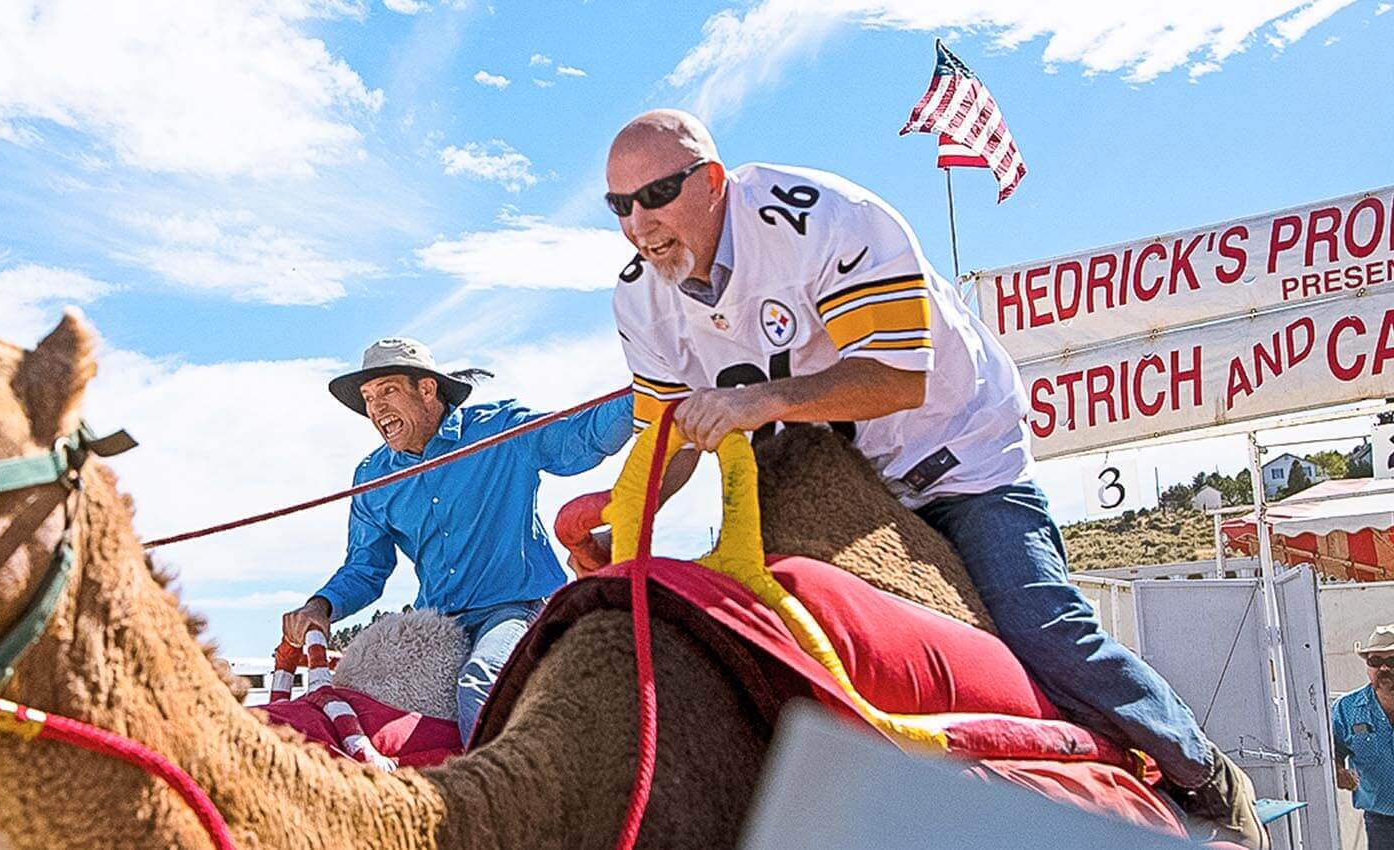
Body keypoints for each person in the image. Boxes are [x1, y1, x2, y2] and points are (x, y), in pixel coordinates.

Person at [599, 108, 1263, 847]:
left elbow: (894, 377)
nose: (639, 223)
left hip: (960, 461)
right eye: (619, 206)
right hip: (844, 489)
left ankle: (1200, 772)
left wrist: (764, 401)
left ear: (713, 181)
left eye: (655, 195)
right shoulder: (638, 296)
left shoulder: (828, 220)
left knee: (1041, 628)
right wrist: (615, 517)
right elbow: (669, 437)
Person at [281, 337, 632, 742]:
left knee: (479, 686)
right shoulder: (372, 477)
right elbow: (366, 568)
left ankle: (503, 801)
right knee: (368, 705)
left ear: (427, 389)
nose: (375, 408)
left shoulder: (499, 430)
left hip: (517, 610)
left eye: (388, 390)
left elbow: (581, 439)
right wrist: (320, 606)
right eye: (368, 397)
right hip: (439, 627)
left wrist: (651, 391)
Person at [1335, 623, 1394, 849]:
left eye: (1392, 661)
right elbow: (1332, 749)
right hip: (1380, 821)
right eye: (1376, 662)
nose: (1384, 669)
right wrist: (1339, 770)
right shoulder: (1346, 709)